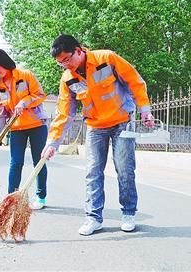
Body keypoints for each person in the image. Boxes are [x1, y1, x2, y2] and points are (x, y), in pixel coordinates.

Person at [41, 35, 155, 235]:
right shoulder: (68, 79)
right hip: (95, 126)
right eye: (60, 63)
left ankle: (128, 212)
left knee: (125, 170)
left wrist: (144, 109)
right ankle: (93, 217)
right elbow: (64, 113)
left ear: (78, 50)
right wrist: (53, 142)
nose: (66, 66)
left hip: (121, 123)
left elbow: (135, 82)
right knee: (92, 172)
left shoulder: (107, 59)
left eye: (67, 59)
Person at [0, 48, 48, 210]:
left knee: (38, 161)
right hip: (17, 129)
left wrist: (24, 102)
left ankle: (40, 197)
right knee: (15, 162)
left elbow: (39, 95)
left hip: (37, 125)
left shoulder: (25, 75)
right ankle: (11, 197)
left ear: (5, 62)